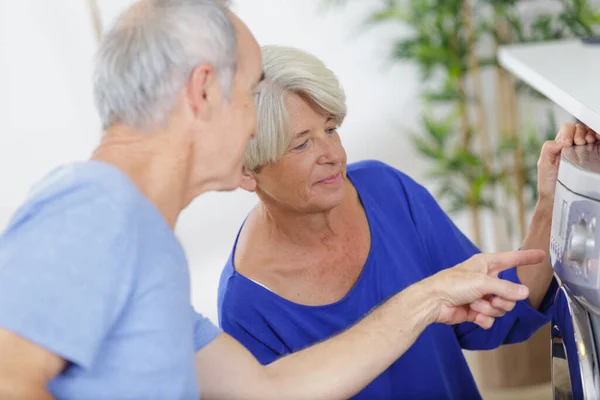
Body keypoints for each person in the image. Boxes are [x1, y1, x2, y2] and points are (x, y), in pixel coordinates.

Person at [0, 1, 558, 399]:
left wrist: (428, 296)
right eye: (248, 95)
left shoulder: (145, 244)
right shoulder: (94, 209)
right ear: (202, 92)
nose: (252, 124)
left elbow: (266, 388)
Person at [217, 45, 600, 399]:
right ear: (247, 170)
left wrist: (550, 202)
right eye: (302, 143)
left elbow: (500, 314)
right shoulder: (247, 304)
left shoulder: (386, 191)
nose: (333, 153)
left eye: (331, 129)